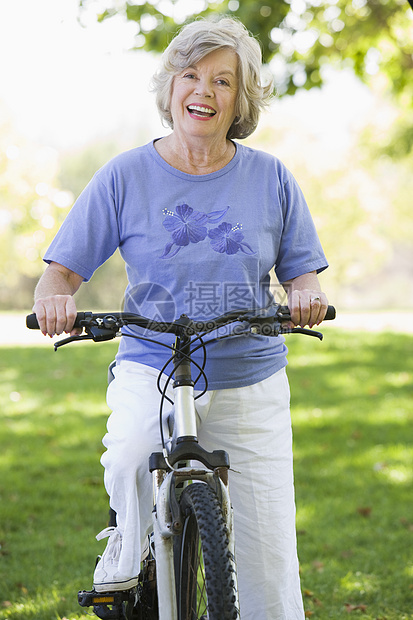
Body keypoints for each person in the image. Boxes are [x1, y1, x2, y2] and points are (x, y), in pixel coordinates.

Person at [32, 16, 329, 620]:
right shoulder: (124, 175)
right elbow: (59, 271)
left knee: (268, 549)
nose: (205, 90)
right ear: (170, 89)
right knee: (131, 454)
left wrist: (305, 294)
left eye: (224, 81)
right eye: (191, 75)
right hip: (152, 361)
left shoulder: (271, 177)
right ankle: (128, 545)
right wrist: (54, 297)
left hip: (251, 370)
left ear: (240, 100)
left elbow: (304, 271)